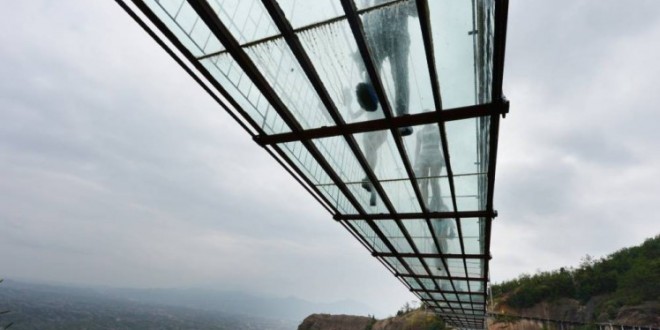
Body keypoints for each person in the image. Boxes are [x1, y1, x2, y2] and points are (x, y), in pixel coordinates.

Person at [356, 0, 418, 136]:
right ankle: (401, 116)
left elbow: (415, 8)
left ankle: (371, 93)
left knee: (396, 73)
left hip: (387, 31)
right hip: (386, 31)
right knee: (398, 74)